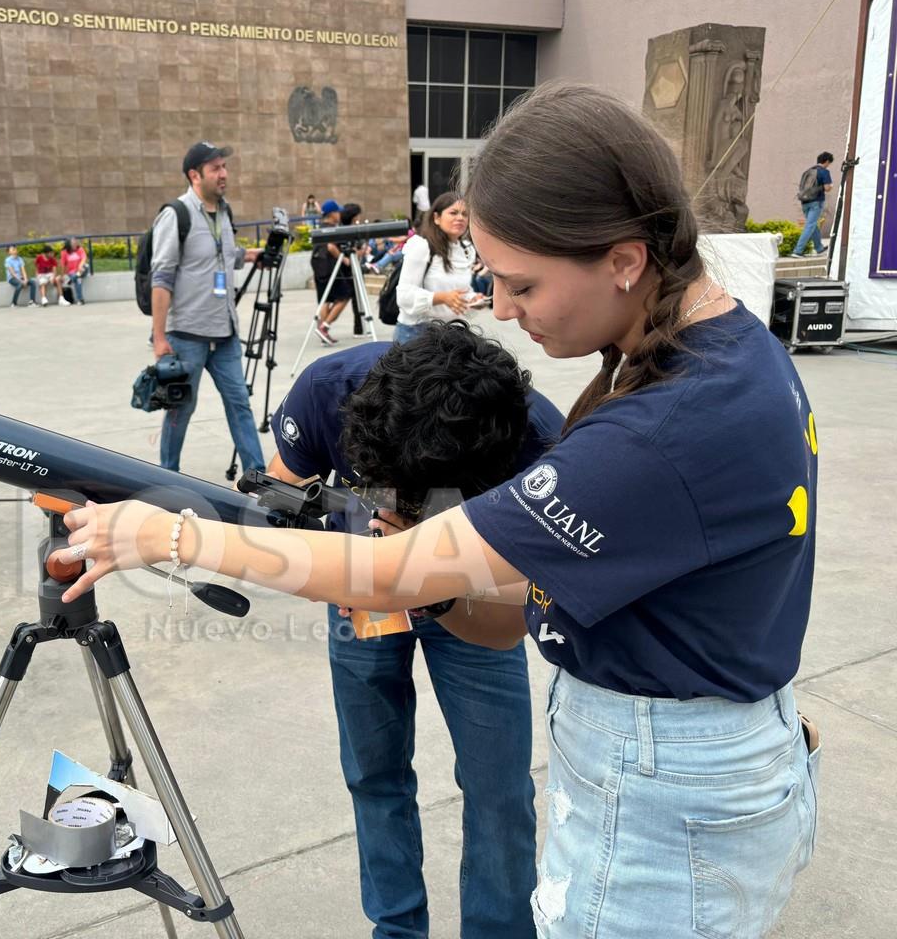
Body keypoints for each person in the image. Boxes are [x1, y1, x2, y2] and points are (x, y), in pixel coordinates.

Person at [59, 83, 821, 939]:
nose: (501, 309)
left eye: (523, 283)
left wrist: (168, 533)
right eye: (492, 279)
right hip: (694, 756)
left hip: (659, 795)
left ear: (623, 258)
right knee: (376, 773)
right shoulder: (730, 353)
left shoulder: (655, 428)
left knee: (496, 790)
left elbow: (393, 572)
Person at [269, 321, 562, 938]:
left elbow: (532, 594)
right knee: (373, 773)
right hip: (361, 586)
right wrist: (350, 557)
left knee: (499, 787)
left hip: (480, 593)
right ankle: (397, 930)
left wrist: (444, 585)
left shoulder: (533, 436)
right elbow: (279, 497)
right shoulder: (328, 392)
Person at [149, 140, 266, 475]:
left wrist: (250, 255)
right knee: (180, 409)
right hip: (187, 335)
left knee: (239, 404)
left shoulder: (224, 211)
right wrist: (159, 337)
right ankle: (166, 476)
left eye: (224, 167)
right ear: (194, 175)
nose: (223, 173)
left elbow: (223, 254)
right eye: (215, 168)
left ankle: (256, 477)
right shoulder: (176, 215)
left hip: (225, 332)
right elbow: (162, 277)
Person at [395, 193, 487, 344]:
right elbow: (404, 296)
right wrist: (442, 297)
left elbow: (459, 292)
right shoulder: (421, 245)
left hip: (452, 332)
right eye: (453, 213)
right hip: (417, 333)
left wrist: (473, 299)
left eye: (465, 214)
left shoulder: (466, 249)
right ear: (436, 218)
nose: (460, 218)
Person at [311, 200, 363, 345]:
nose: (339, 214)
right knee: (344, 296)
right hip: (329, 266)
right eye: (337, 212)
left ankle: (323, 332)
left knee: (325, 300)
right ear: (332, 214)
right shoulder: (332, 229)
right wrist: (345, 260)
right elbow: (331, 247)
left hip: (317, 265)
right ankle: (324, 327)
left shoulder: (320, 227)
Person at [792, 151, 834, 257]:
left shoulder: (807, 171)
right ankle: (797, 251)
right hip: (816, 202)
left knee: (813, 224)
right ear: (827, 161)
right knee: (810, 225)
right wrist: (831, 186)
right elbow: (827, 188)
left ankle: (819, 247)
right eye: (829, 163)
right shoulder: (824, 172)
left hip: (804, 202)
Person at [59, 237, 88, 305]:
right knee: (78, 279)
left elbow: (84, 258)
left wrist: (80, 266)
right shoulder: (64, 252)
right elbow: (63, 265)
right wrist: (62, 275)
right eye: (73, 243)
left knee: (86, 266)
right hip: (72, 272)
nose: (75, 244)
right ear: (69, 244)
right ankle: (80, 299)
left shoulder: (80, 249)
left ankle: (72, 279)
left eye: (75, 243)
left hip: (82, 270)